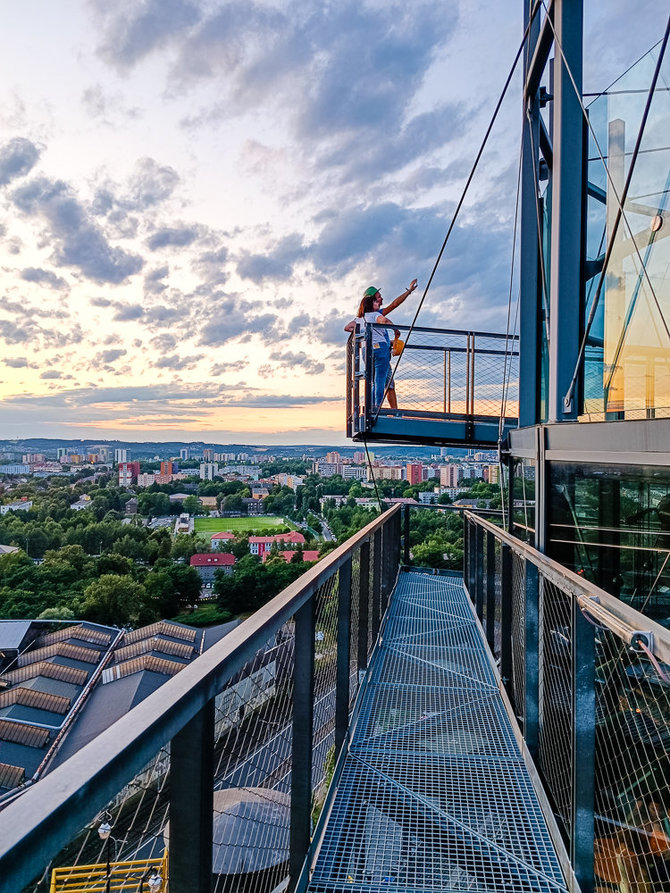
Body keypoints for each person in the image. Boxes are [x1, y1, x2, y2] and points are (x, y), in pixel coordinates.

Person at [345, 279, 418, 410]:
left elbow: (349, 327)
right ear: (371, 301)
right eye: (378, 297)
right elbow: (393, 306)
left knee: (378, 382)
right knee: (385, 383)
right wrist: (395, 329)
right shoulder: (376, 314)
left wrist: (361, 337)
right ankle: (382, 409)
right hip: (380, 351)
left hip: (369, 351)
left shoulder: (360, 319)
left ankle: (375, 408)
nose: (381, 299)